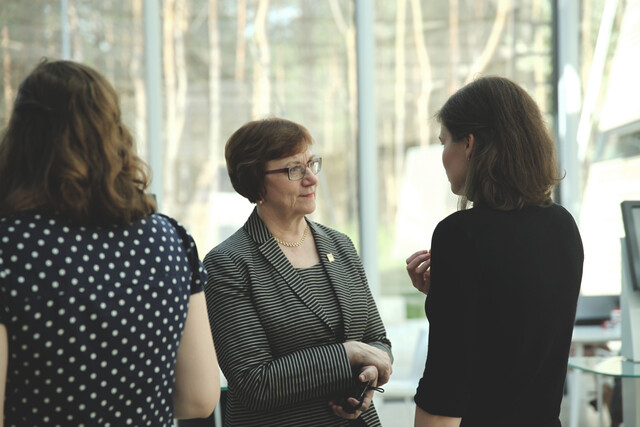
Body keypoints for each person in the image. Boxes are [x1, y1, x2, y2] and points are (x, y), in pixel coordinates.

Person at [0, 59, 220, 426]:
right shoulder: (171, 240)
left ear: (22, 138)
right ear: (114, 135)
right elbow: (200, 398)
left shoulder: (10, 249)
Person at [405, 76, 584, 427]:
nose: (443, 156)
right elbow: (519, 328)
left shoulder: (460, 235)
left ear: (469, 144)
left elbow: (445, 388)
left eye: (444, 142)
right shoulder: (563, 225)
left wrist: (450, 297)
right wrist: (450, 292)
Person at [203, 117, 393, 427]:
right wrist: (347, 355)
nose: (311, 179)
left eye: (312, 164)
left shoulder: (340, 245)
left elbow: (377, 340)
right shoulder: (228, 263)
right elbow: (254, 383)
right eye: (294, 169)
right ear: (256, 181)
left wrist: (370, 373)